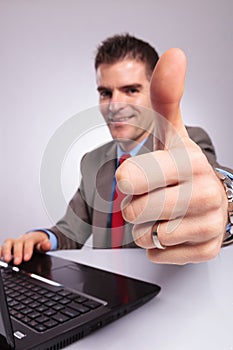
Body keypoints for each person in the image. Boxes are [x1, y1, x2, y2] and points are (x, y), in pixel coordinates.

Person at [1, 34, 232, 266]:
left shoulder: (187, 145)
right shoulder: (92, 161)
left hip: (168, 295)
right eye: (105, 93)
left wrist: (224, 203)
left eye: (131, 90)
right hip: (106, 294)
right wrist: (41, 238)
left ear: (153, 93)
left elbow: (208, 186)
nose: (115, 105)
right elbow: (71, 231)